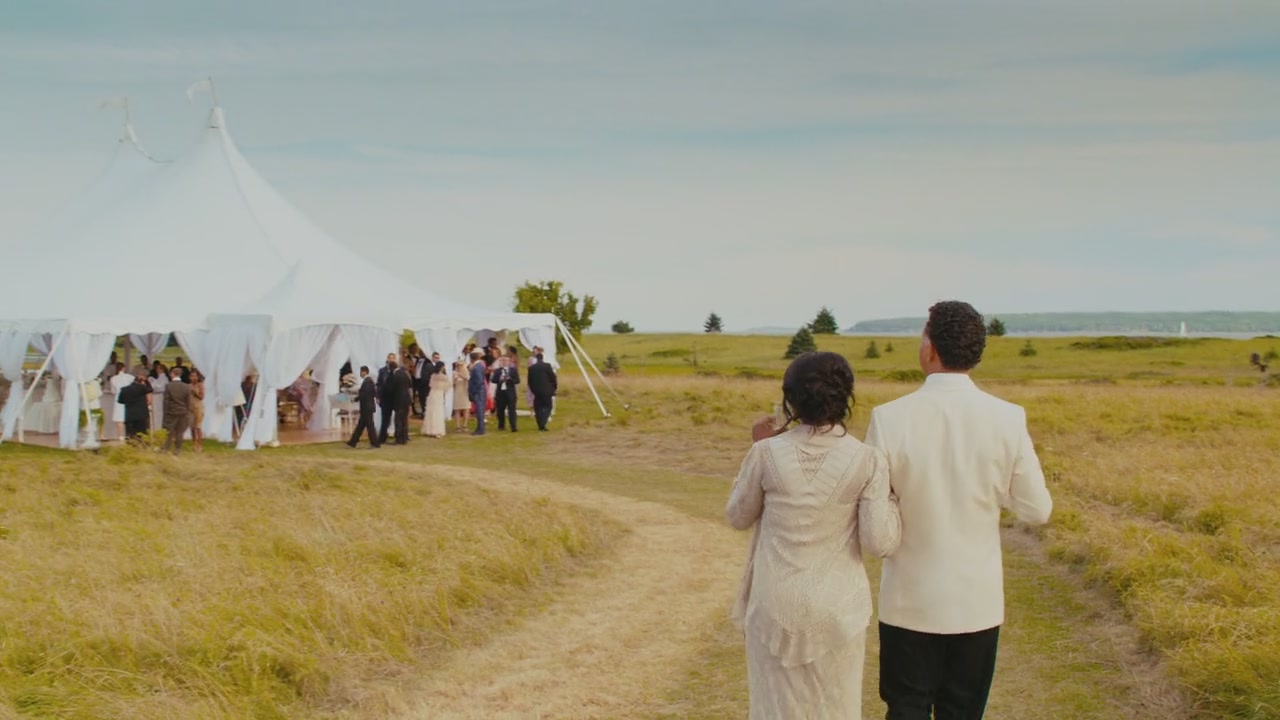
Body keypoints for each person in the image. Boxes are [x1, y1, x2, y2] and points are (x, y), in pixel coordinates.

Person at [865, 301, 1053, 719]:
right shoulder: (1007, 418)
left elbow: (872, 511)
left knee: (906, 708)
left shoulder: (889, 418)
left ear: (930, 348)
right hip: (977, 602)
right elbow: (1037, 509)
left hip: (908, 602)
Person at [727, 351, 901, 719]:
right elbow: (877, 541)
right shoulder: (867, 459)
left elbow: (738, 516)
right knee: (836, 709)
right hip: (839, 607)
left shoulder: (766, 453)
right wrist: (895, 506)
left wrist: (755, 446)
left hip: (773, 603)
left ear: (791, 399)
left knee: (774, 709)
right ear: (845, 396)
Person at [161, 368, 194, 454]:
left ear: (172, 374)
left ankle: (165, 448)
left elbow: (166, 401)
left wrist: (165, 412)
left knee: (169, 431)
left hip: (172, 412)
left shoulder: (169, 386)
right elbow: (188, 401)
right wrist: (187, 410)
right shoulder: (186, 387)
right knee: (180, 432)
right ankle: (178, 449)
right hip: (183, 411)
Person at [347, 366, 380, 449]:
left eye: (361, 372)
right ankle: (353, 441)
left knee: (369, 426)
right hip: (367, 407)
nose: (360, 374)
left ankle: (375, 443)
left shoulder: (367, 382)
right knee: (361, 425)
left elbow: (364, 394)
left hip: (367, 407)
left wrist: (355, 399)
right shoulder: (369, 381)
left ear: (364, 372)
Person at [116, 372, 153, 441]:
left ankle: (131, 446)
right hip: (142, 414)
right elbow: (149, 390)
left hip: (129, 415)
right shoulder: (142, 388)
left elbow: (120, 401)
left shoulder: (124, 389)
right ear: (141, 381)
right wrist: (146, 381)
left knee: (131, 434)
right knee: (143, 434)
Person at [527, 352, 557, 431]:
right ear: (542, 358)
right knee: (548, 407)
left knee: (538, 408)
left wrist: (533, 390)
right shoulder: (547, 366)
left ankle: (540, 423)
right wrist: (554, 388)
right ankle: (543, 421)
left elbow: (530, 381)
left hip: (537, 391)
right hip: (547, 390)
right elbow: (553, 377)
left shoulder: (532, 368)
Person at [491, 355, 520, 432]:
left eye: (506, 361)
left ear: (509, 362)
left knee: (512, 409)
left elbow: (517, 380)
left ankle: (513, 426)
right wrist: (499, 379)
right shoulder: (497, 371)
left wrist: (510, 379)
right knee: (500, 409)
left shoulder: (513, 370)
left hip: (510, 392)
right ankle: (501, 425)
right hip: (500, 393)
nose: (504, 362)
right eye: (503, 361)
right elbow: (493, 380)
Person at [422, 364, 451, 438]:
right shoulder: (444, 377)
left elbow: (430, 385)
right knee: (438, 411)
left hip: (432, 393)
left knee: (431, 411)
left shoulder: (433, 375)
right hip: (439, 394)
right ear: (441, 367)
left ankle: (429, 429)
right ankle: (437, 430)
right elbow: (447, 387)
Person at [108, 362, 131, 440]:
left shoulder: (113, 378)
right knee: (128, 417)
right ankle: (129, 434)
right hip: (128, 397)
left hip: (118, 397)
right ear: (123, 368)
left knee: (119, 418)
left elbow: (113, 391)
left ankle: (120, 436)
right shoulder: (129, 377)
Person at [468, 350, 488, 436]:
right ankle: (480, 427)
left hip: (478, 391)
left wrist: (473, 390)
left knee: (479, 410)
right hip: (480, 390)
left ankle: (481, 429)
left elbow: (479, 381)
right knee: (479, 410)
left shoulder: (476, 367)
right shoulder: (480, 365)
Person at [188, 369, 206, 452]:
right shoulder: (188, 386)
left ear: (198, 377)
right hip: (190, 408)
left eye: (195, 376)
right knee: (192, 427)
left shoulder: (200, 385)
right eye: (192, 376)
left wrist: (195, 392)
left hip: (198, 407)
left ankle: (199, 445)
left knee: (198, 426)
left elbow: (202, 397)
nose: (193, 378)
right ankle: (194, 444)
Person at [452, 361, 470, 431]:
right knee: (457, 409)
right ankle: (458, 425)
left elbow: (468, 379)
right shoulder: (454, 373)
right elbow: (452, 383)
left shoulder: (466, 372)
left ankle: (465, 425)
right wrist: (454, 380)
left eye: (460, 365)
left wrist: (461, 375)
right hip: (457, 392)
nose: (459, 367)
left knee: (466, 408)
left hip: (465, 391)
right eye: (458, 365)